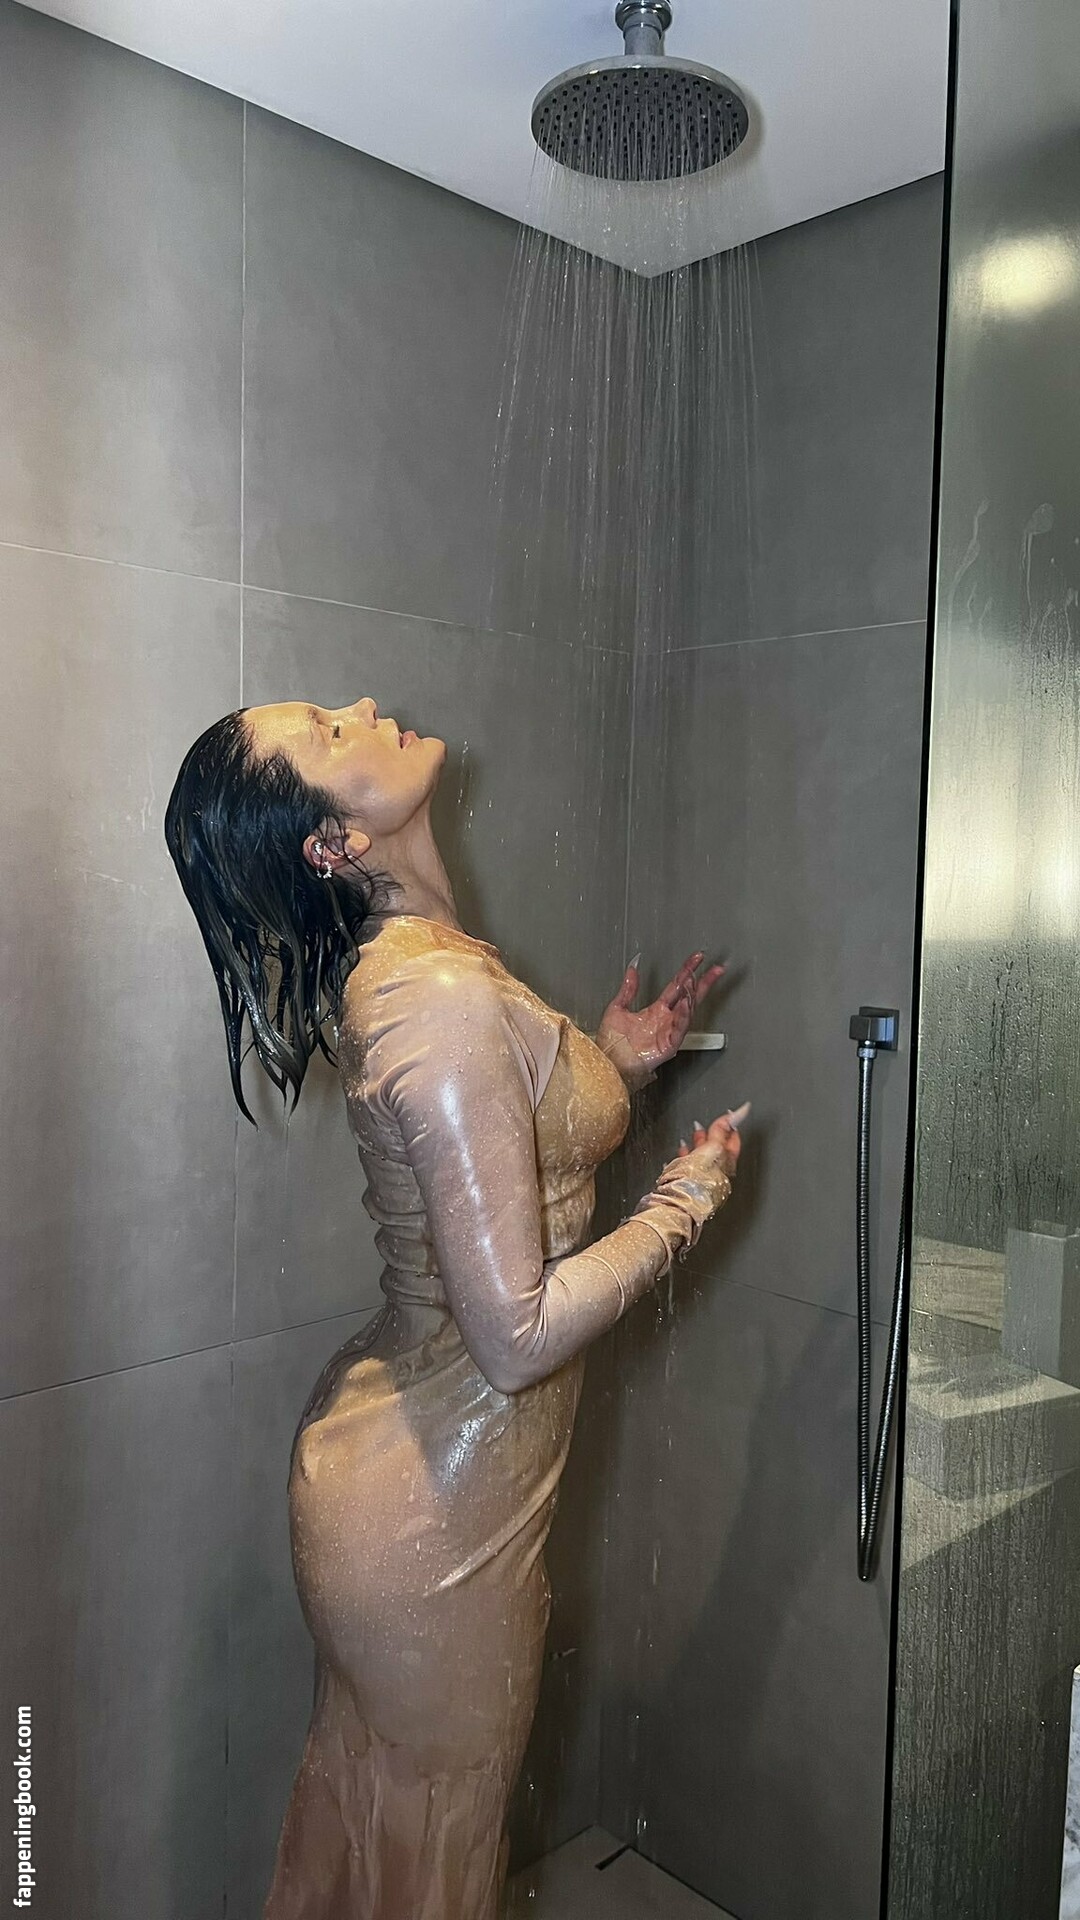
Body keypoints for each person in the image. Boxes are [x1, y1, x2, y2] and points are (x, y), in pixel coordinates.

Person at [165, 695, 748, 1920]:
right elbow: (516, 1336)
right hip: (434, 1521)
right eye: (329, 734)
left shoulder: (426, 967)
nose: (363, 709)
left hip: (424, 1477)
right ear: (333, 842)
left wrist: (608, 1067)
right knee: (436, 1860)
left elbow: (495, 1152)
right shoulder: (434, 1000)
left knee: (396, 1854)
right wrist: (685, 1202)